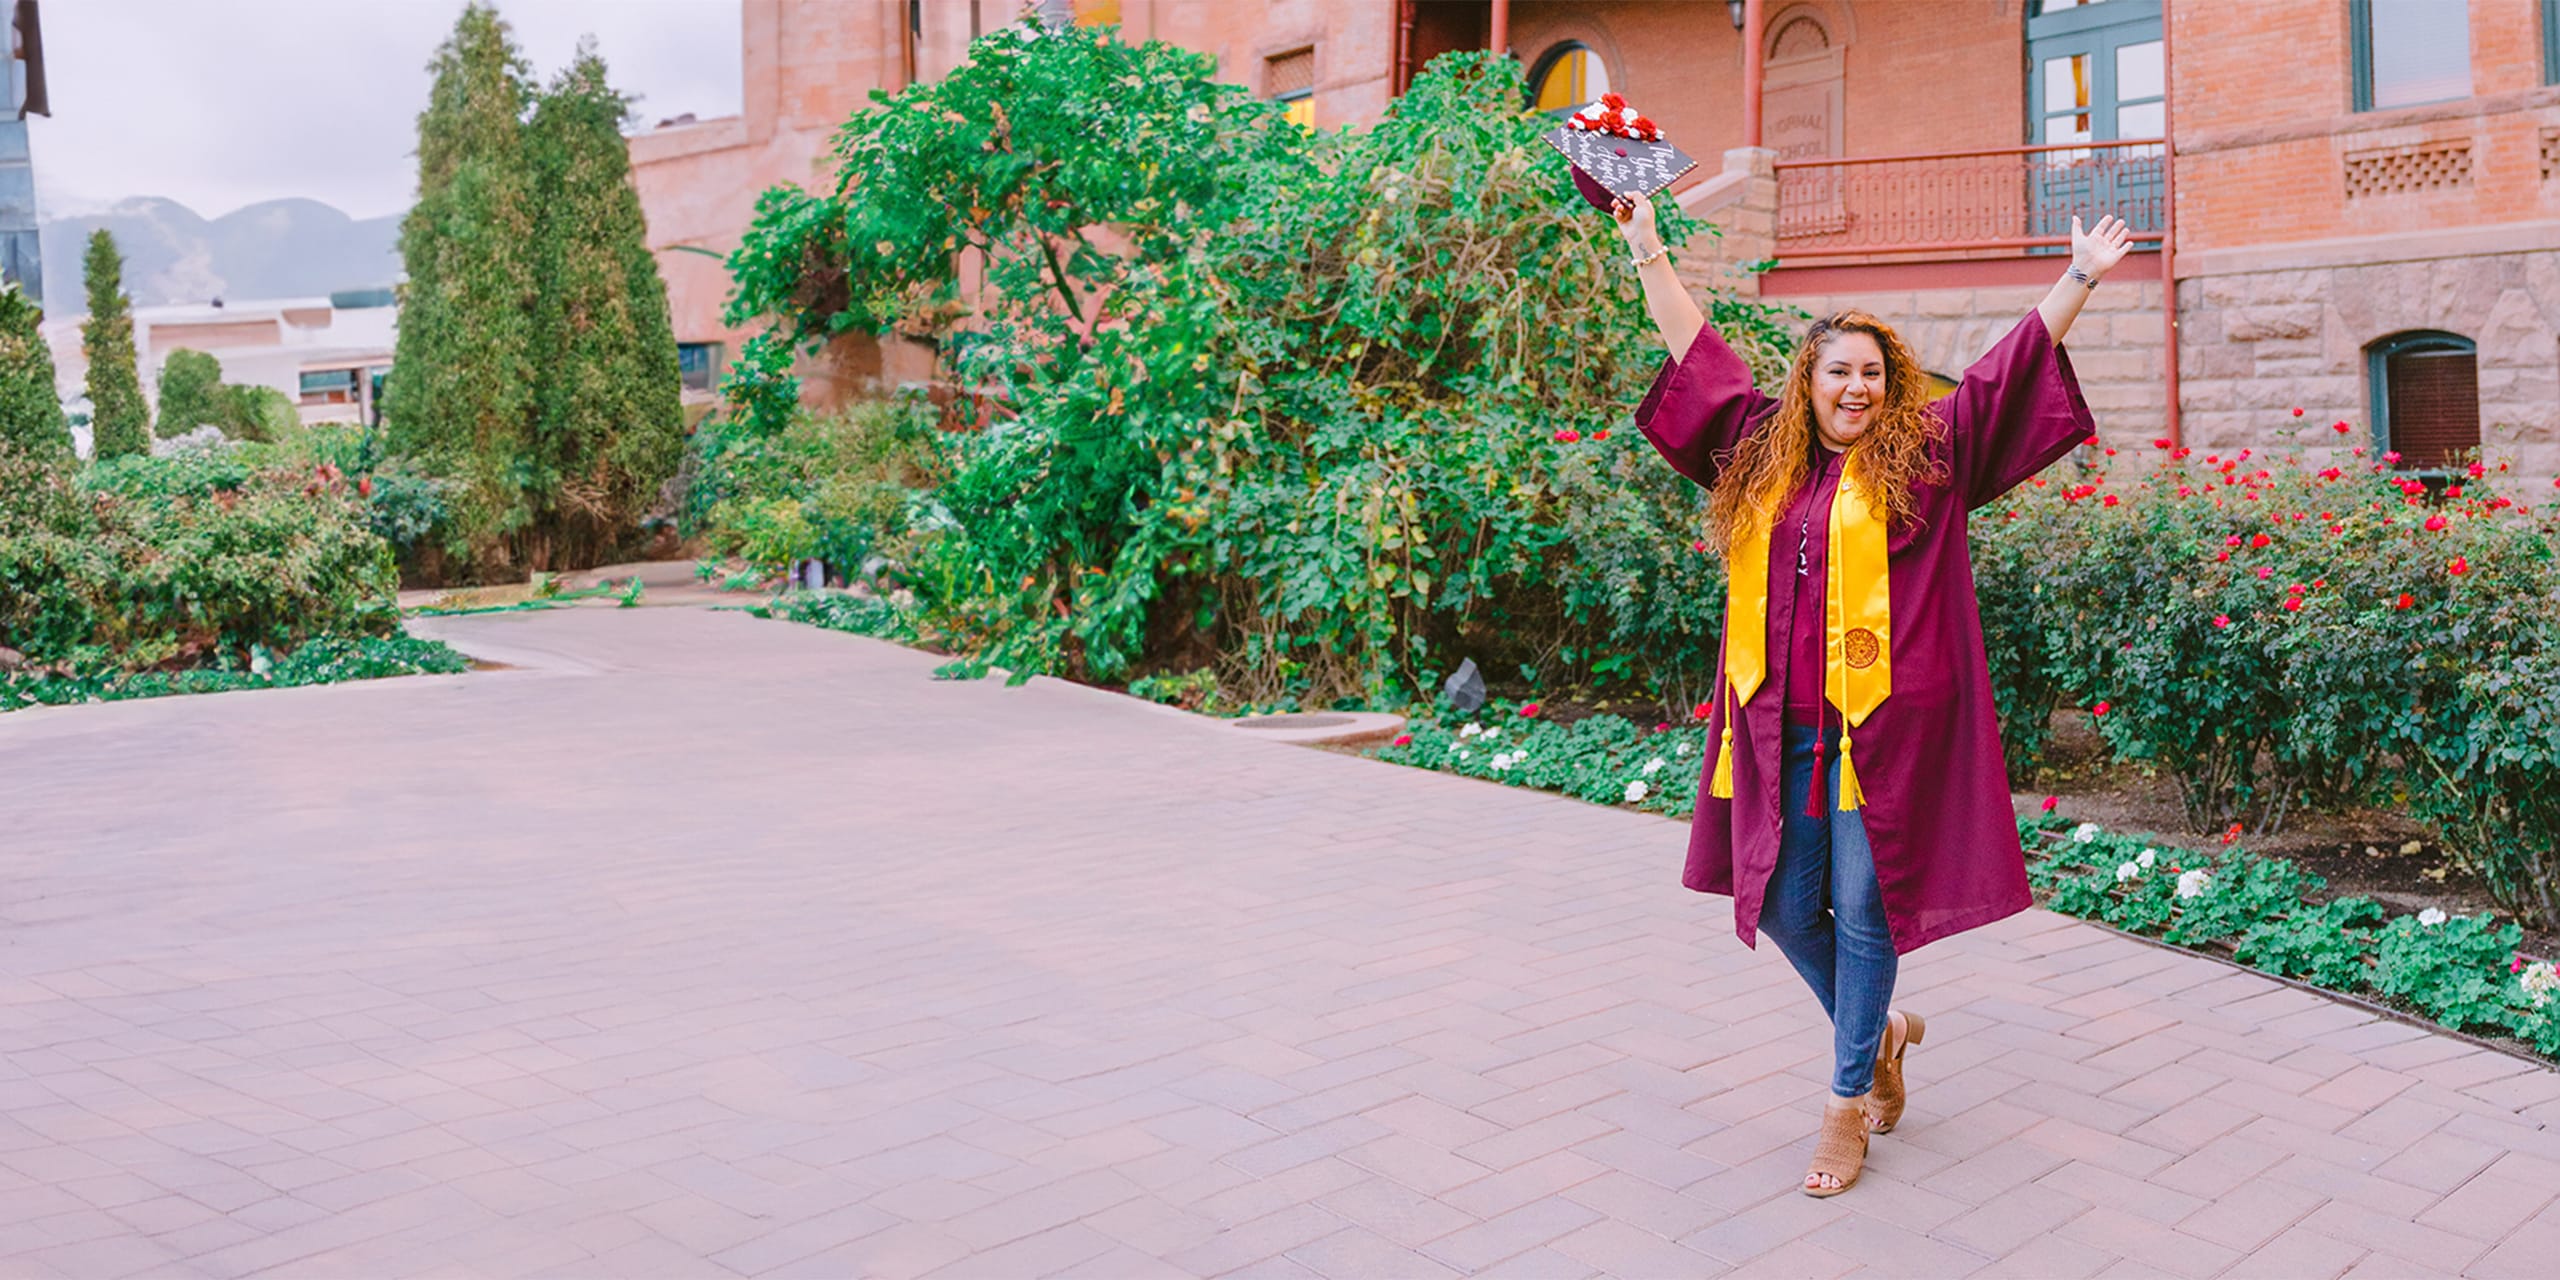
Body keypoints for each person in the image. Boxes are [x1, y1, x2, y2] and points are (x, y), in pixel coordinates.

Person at [1615, 196, 2134, 1196]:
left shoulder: (1928, 455)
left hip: (1883, 732)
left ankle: (1845, 1099)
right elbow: (1697, 349)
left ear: (1888, 384)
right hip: (1778, 727)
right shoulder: (1763, 448)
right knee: (1776, 898)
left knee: (1862, 903)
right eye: (1836, 370)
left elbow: (1999, 379)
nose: (1853, 386)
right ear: (1805, 383)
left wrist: (2077, 277)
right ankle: (1884, 1027)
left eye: (1869, 372)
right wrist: (1644, 245)